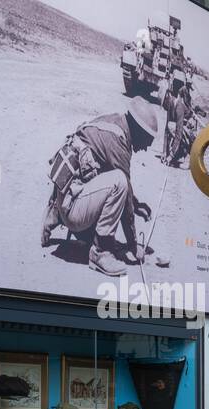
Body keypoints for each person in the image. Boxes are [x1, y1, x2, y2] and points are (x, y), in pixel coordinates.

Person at [41, 97, 158, 277]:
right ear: (138, 129)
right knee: (119, 181)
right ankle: (100, 252)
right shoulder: (118, 142)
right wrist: (134, 246)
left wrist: (137, 204)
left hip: (64, 199)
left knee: (112, 179)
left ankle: (56, 214)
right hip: (73, 212)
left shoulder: (112, 123)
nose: (147, 147)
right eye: (148, 139)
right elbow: (124, 195)